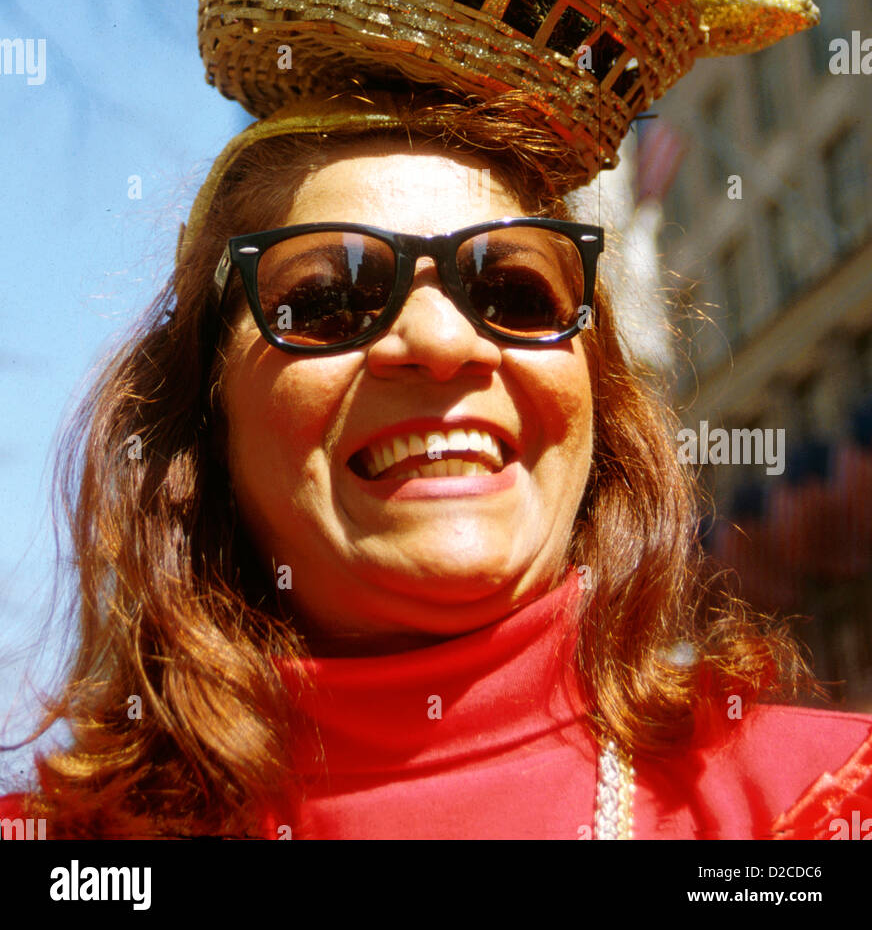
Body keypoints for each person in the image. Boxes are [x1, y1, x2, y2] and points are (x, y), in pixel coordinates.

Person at [1, 90, 870, 841]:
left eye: (514, 293)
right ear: (203, 418)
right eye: (331, 299)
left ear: (598, 400)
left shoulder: (828, 801)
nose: (444, 342)